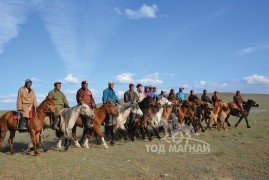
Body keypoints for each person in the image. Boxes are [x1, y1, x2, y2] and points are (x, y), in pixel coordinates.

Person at [77, 80, 96, 145]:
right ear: (82, 85)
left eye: (86, 84)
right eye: (84, 84)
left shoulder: (89, 91)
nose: (85, 85)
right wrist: (84, 105)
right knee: (87, 123)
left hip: (90, 107)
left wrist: (93, 104)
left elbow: (92, 98)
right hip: (83, 107)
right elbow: (79, 99)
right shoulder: (80, 91)